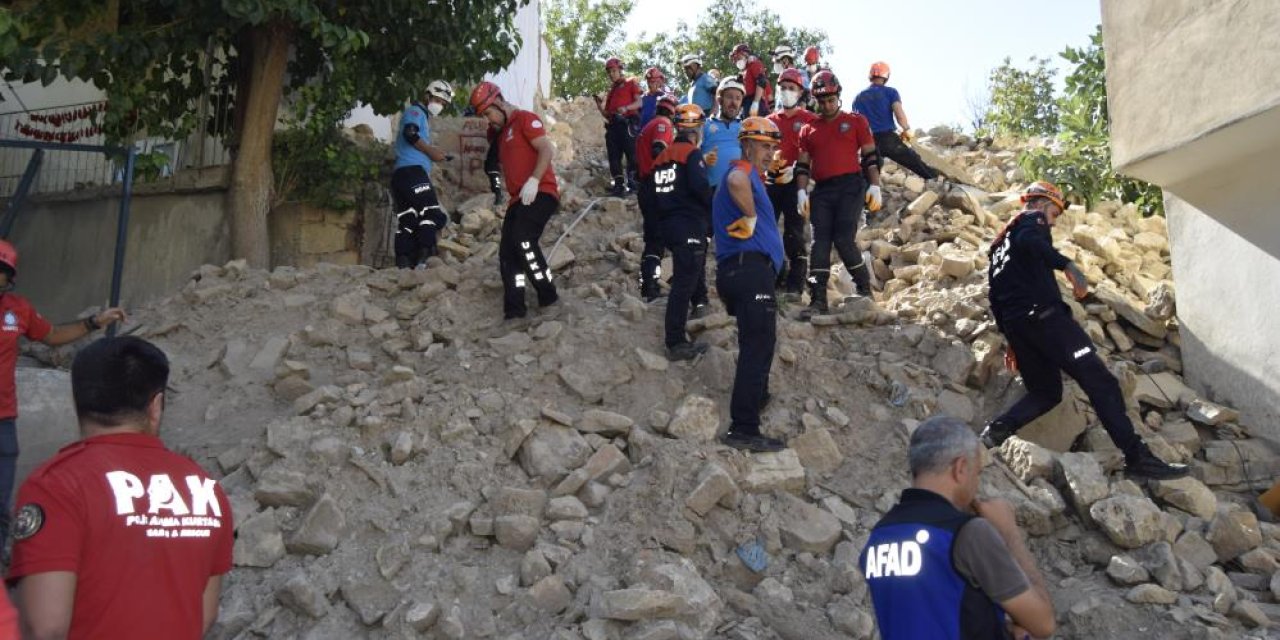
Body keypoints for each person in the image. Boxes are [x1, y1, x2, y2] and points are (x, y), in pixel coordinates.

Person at [7, 336, 234, 639]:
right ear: (156, 405)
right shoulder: (205, 489)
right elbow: (203, 616)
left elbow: (44, 626)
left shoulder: (56, 485)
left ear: (75, 401)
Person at [981, 182, 1187, 479]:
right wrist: (1066, 265)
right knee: (1101, 382)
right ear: (1040, 204)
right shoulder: (1030, 220)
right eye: (1054, 212)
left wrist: (1012, 340)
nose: (1053, 220)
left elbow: (995, 296)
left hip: (1019, 326)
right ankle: (1138, 458)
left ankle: (996, 431)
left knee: (1046, 392)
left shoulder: (998, 248)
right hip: (1047, 320)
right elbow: (1032, 241)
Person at [862, 416, 1056, 640]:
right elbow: (1043, 623)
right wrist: (1009, 533)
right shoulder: (969, 533)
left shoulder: (880, 535)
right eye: (977, 474)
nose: (977, 484)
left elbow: (929, 613)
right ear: (960, 468)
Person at [0, 239, 126, 545]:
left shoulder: (19, 310)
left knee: (0, 503)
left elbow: (53, 335)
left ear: (9, 278)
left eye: (1, 271)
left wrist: (94, 322)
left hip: (3, 419)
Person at [713, 117, 786, 453]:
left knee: (759, 340)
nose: (770, 153)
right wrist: (752, 216)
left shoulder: (757, 175)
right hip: (747, 269)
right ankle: (743, 427)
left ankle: (756, 399)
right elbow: (736, 180)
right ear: (746, 144)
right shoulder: (741, 169)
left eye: (773, 146)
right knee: (758, 342)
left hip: (747, 272)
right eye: (764, 146)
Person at [794, 70, 883, 317]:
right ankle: (817, 300)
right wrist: (801, 191)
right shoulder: (808, 129)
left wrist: (875, 185)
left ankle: (864, 289)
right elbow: (802, 165)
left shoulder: (856, 121)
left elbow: (869, 157)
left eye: (831, 99)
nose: (827, 105)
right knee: (819, 243)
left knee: (844, 238)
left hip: (851, 186)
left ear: (838, 96)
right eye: (822, 101)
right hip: (822, 190)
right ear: (815, 100)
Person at [471, 82, 561, 320]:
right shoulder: (501, 133)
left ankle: (548, 296)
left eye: (488, 113)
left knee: (523, 239)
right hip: (517, 199)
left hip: (541, 191)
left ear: (499, 102)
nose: (489, 120)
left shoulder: (524, 119)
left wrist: (534, 180)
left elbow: (546, 149)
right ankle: (514, 311)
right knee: (507, 254)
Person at [653, 104, 713, 361]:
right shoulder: (691, 154)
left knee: (688, 273)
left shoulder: (662, 157)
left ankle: (699, 306)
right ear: (696, 129)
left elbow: (650, 196)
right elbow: (701, 189)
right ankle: (675, 341)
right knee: (683, 282)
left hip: (669, 225)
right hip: (689, 223)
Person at [390, 80, 456, 269]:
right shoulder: (416, 112)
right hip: (412, 172)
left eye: (443, 103)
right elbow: (410, 134)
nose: (440, 105)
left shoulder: (421, 116)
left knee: (408, 220)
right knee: (433, 215)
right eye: (437, 100)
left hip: (402, 176)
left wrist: (435, 153)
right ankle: (424, 261)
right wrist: (430, 152)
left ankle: (404, 264)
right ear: (427, 96)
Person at [766, 68, 818, 295]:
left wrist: (798, 169)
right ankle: (774, 275)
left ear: (800, 93)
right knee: (767, 229)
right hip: (770, 183)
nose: (787, 92)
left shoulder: (810, 119)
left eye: (792, 88)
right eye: (783, 88)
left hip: (796, 184)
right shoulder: (768, 121)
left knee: (794, 232)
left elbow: (818, 151)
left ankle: (796, 283)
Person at [853, 61, 938, 181]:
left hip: (867, 142)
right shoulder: (890, 92)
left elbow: (856, 123)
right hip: (888, 138)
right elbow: (899, 115)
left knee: (868, 175)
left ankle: (860, 195)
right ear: (886, 76)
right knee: (913, 160)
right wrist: (907, 130)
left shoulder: (858, 98)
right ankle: (934, 179)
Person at [634, 93, 679, 300]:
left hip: (645, 185)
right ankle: (651, 286)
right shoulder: (663, 124)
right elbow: (658, 149)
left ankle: (647, 284)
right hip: (655, 186)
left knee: (653, 238)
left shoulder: (647, 126)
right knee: (656, 240)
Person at [596, 57, 643, 196]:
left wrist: (626, 107)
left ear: (620, 70)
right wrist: (599, 106)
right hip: (613, 125)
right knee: (614, 156)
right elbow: (607, 114)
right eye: (609, 72)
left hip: (627, 122)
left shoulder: (630, 83)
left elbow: (639, 102)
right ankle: (618, 185)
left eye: (614, 71)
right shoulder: (611, 91)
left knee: (631, 154)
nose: (611, 74)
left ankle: (634, 184)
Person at [701, 77, 745, 194]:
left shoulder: (745, 127)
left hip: (739, 189)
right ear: (719, 99)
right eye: (729, 97)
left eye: (738, 98)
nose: (734, 102)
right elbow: (692, 157)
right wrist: (704, 159)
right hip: (712, 190)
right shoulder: (704, 125)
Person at [729, 44, 772, 118]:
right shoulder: (744, 70)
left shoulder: (754, 63)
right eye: (735, 59)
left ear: (745, 54)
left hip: (754, 100)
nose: (736, 61)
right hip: (746, 102)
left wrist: (756, 102)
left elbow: (761, 82)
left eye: (738, 57)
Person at [769, 44, 809, 109]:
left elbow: (804, 96)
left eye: (777, 61)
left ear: (785, 61)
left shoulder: (800, 73)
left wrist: (800, 115)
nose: (775, 64)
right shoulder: (779, 80)